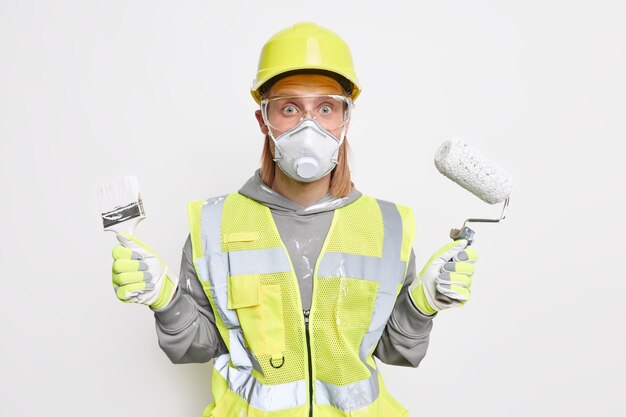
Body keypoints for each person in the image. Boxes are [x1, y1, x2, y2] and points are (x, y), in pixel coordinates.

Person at [110, 22, 479, 417]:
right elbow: (198, 348)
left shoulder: (386, 226)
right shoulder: (215, 225)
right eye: (289, 108)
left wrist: (423, 303)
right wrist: (164, 300)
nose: (309, 126)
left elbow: (392, 351)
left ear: (345, 119)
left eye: (325, 108)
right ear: (263, 121)